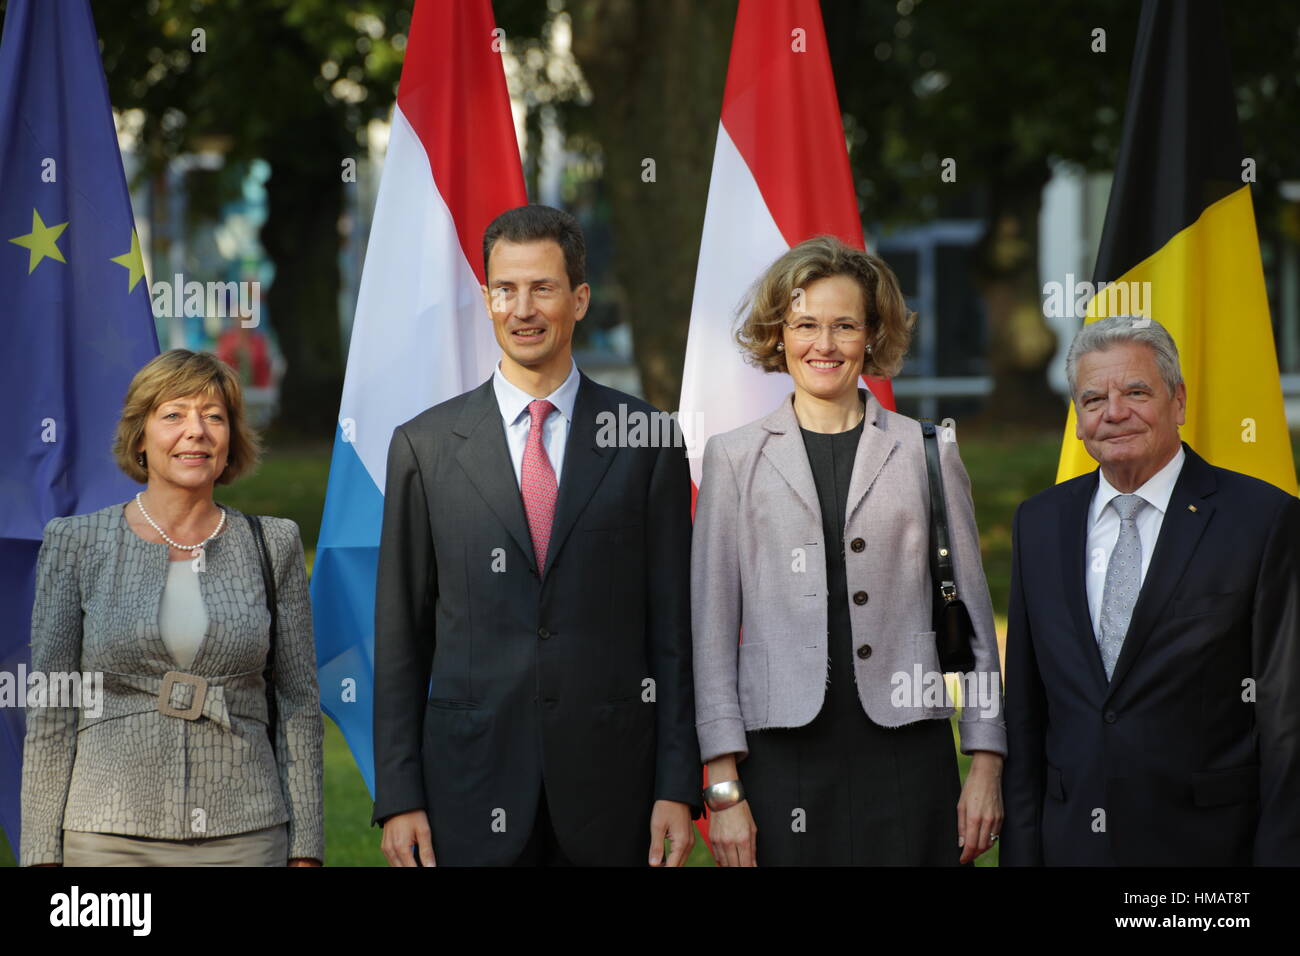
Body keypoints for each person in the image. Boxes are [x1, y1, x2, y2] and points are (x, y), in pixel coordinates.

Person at [372, 204, 700, 867]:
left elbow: (674, 631)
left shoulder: (648, 439)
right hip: (468, 784)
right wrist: (400, 794)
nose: (523, 308)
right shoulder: (425, 447)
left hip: (615, 790)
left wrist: (676, 785)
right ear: (488, 299)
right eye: (506, 289)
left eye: (542, 288)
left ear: (578, 299)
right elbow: (402, 635)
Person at [692, 235, 1006, 867]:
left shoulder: (926, 449)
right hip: (780, 759)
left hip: (907, 754)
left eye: (844, 326)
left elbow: (971, 618)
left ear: (872, 334)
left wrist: (986, 764)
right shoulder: (733, 457)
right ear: (779, 334)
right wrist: (723, 790)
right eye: (805, 324)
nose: (824, 345)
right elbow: (710, 632)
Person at [1001, 315, 1300, 866]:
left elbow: (1286, 717)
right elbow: (1024, 710)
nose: (1114, 413)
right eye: (1094, 399)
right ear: (1078, 420)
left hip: (1207, 857)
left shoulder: (1262, 520)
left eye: (1136, 392)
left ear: (1178, 402)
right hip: (1073, 845)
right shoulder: (1039, 523)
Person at [20, 349, 323, 867]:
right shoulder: (76, 542)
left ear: (231, 439)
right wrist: (41, 854)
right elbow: (52, 706)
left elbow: (298, 706)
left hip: (245, 832)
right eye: (174, 414)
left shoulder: (274, 545)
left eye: (214, 416)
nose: (196, 431)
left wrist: (307, 850)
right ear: (141, 436)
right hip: (107, 836)